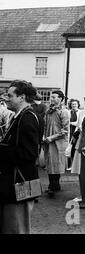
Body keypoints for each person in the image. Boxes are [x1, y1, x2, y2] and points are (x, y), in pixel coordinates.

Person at [0, 80, 40, 234]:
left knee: (17, 228)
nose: (6, 98)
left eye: (10, 95)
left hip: (21, 183)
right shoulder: (21, 116)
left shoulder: (27, 118)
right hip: (19, 182)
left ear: (21, 97)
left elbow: (29, 154)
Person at [43, 90, 70, 197]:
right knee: (50, 163)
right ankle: (53, 185)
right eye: (51, 97)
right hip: (48, 141)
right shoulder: (49, 111)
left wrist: (52, 137)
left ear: (61, 99)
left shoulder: (63, 112)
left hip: (58, 142)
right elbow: (45, 125)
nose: (51, 99)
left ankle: (53, 186)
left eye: (54, 97)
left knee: (56, 163)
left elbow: (65, 130)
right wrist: (44, 136)